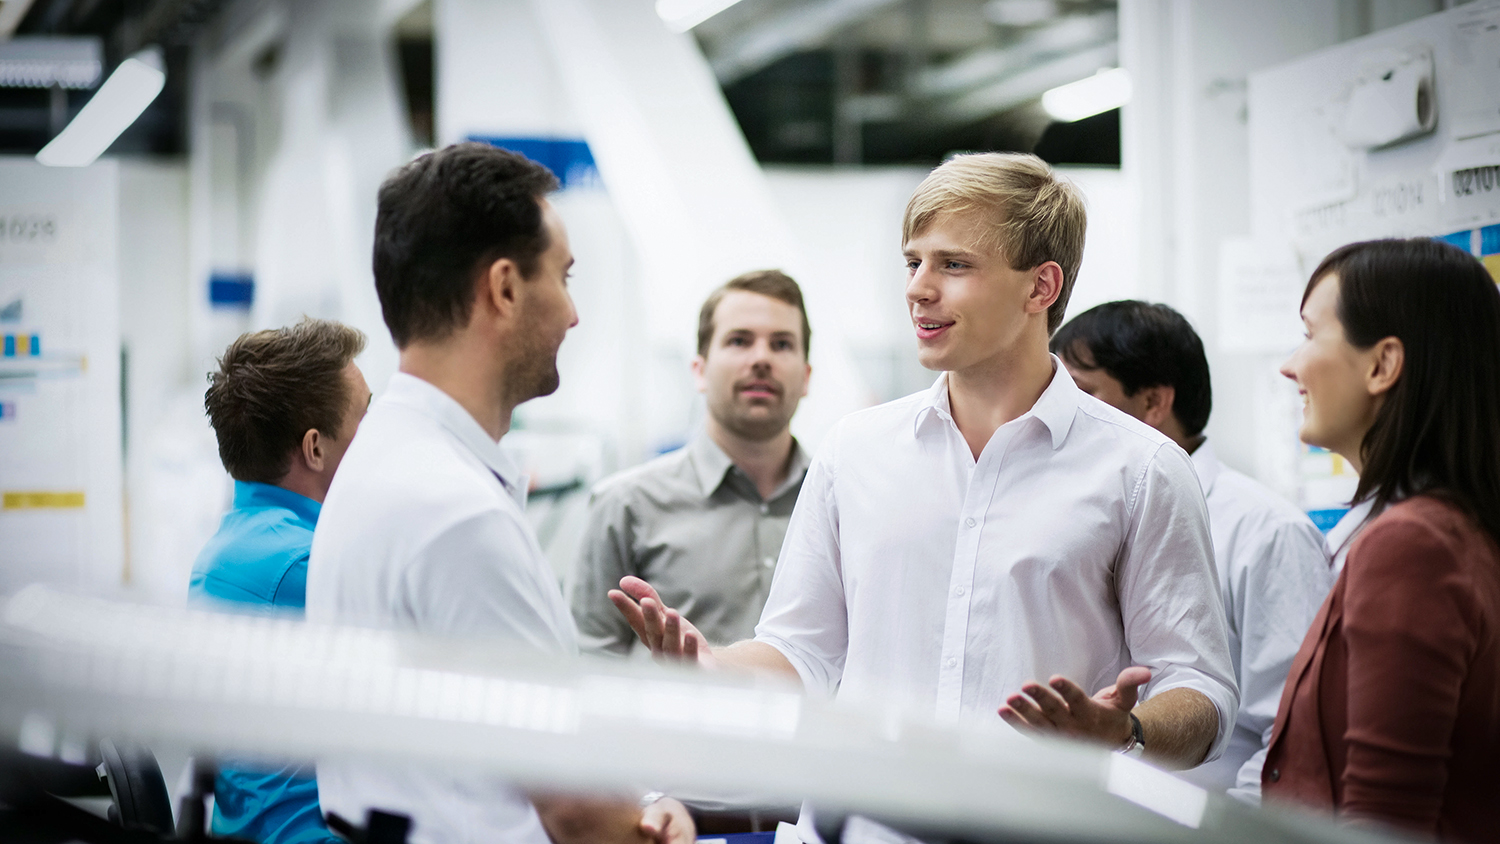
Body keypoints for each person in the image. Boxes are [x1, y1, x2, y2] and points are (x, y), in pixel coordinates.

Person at [611, 152, 1238, 771]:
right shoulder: (855, 451)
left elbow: (1201, 688)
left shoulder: (1141, 469)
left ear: (1041, 286)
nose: (918, 288)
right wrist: (715, 668)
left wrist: (1126, 729)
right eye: (914, 262)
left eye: (954, 264)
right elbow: (801, 653)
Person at [305, 142, 693, 844]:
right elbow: (578, 810)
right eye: (565, 278)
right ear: (505, 288)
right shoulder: (456, 513)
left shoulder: (387, 459)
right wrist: (654, 821)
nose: (574, 314)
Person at [1265, 238, 1500, 842]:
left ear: (1382, 365)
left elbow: (1385, 823)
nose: (1289, 365)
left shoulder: (1412, 547)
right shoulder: (1455, 526)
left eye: (1311, 334)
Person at [1051, 301, 1331, 801]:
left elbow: (1295, 738)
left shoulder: (1265, 532)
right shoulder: (1073, 518)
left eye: (1084, 393)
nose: (1063, 414)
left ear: (1154, 402)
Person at [191, 317, 371, 844]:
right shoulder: (302, 567)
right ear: (315, 448)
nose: (379, 437)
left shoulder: (228, 549)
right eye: (367, 417)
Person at [571, 270, 812, 657]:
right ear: (699, 371)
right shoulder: (626, 506)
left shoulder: (842, 503)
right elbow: (591, 663)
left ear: (806, 377)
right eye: (739, 341)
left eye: (781, 344)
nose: (761, 359)